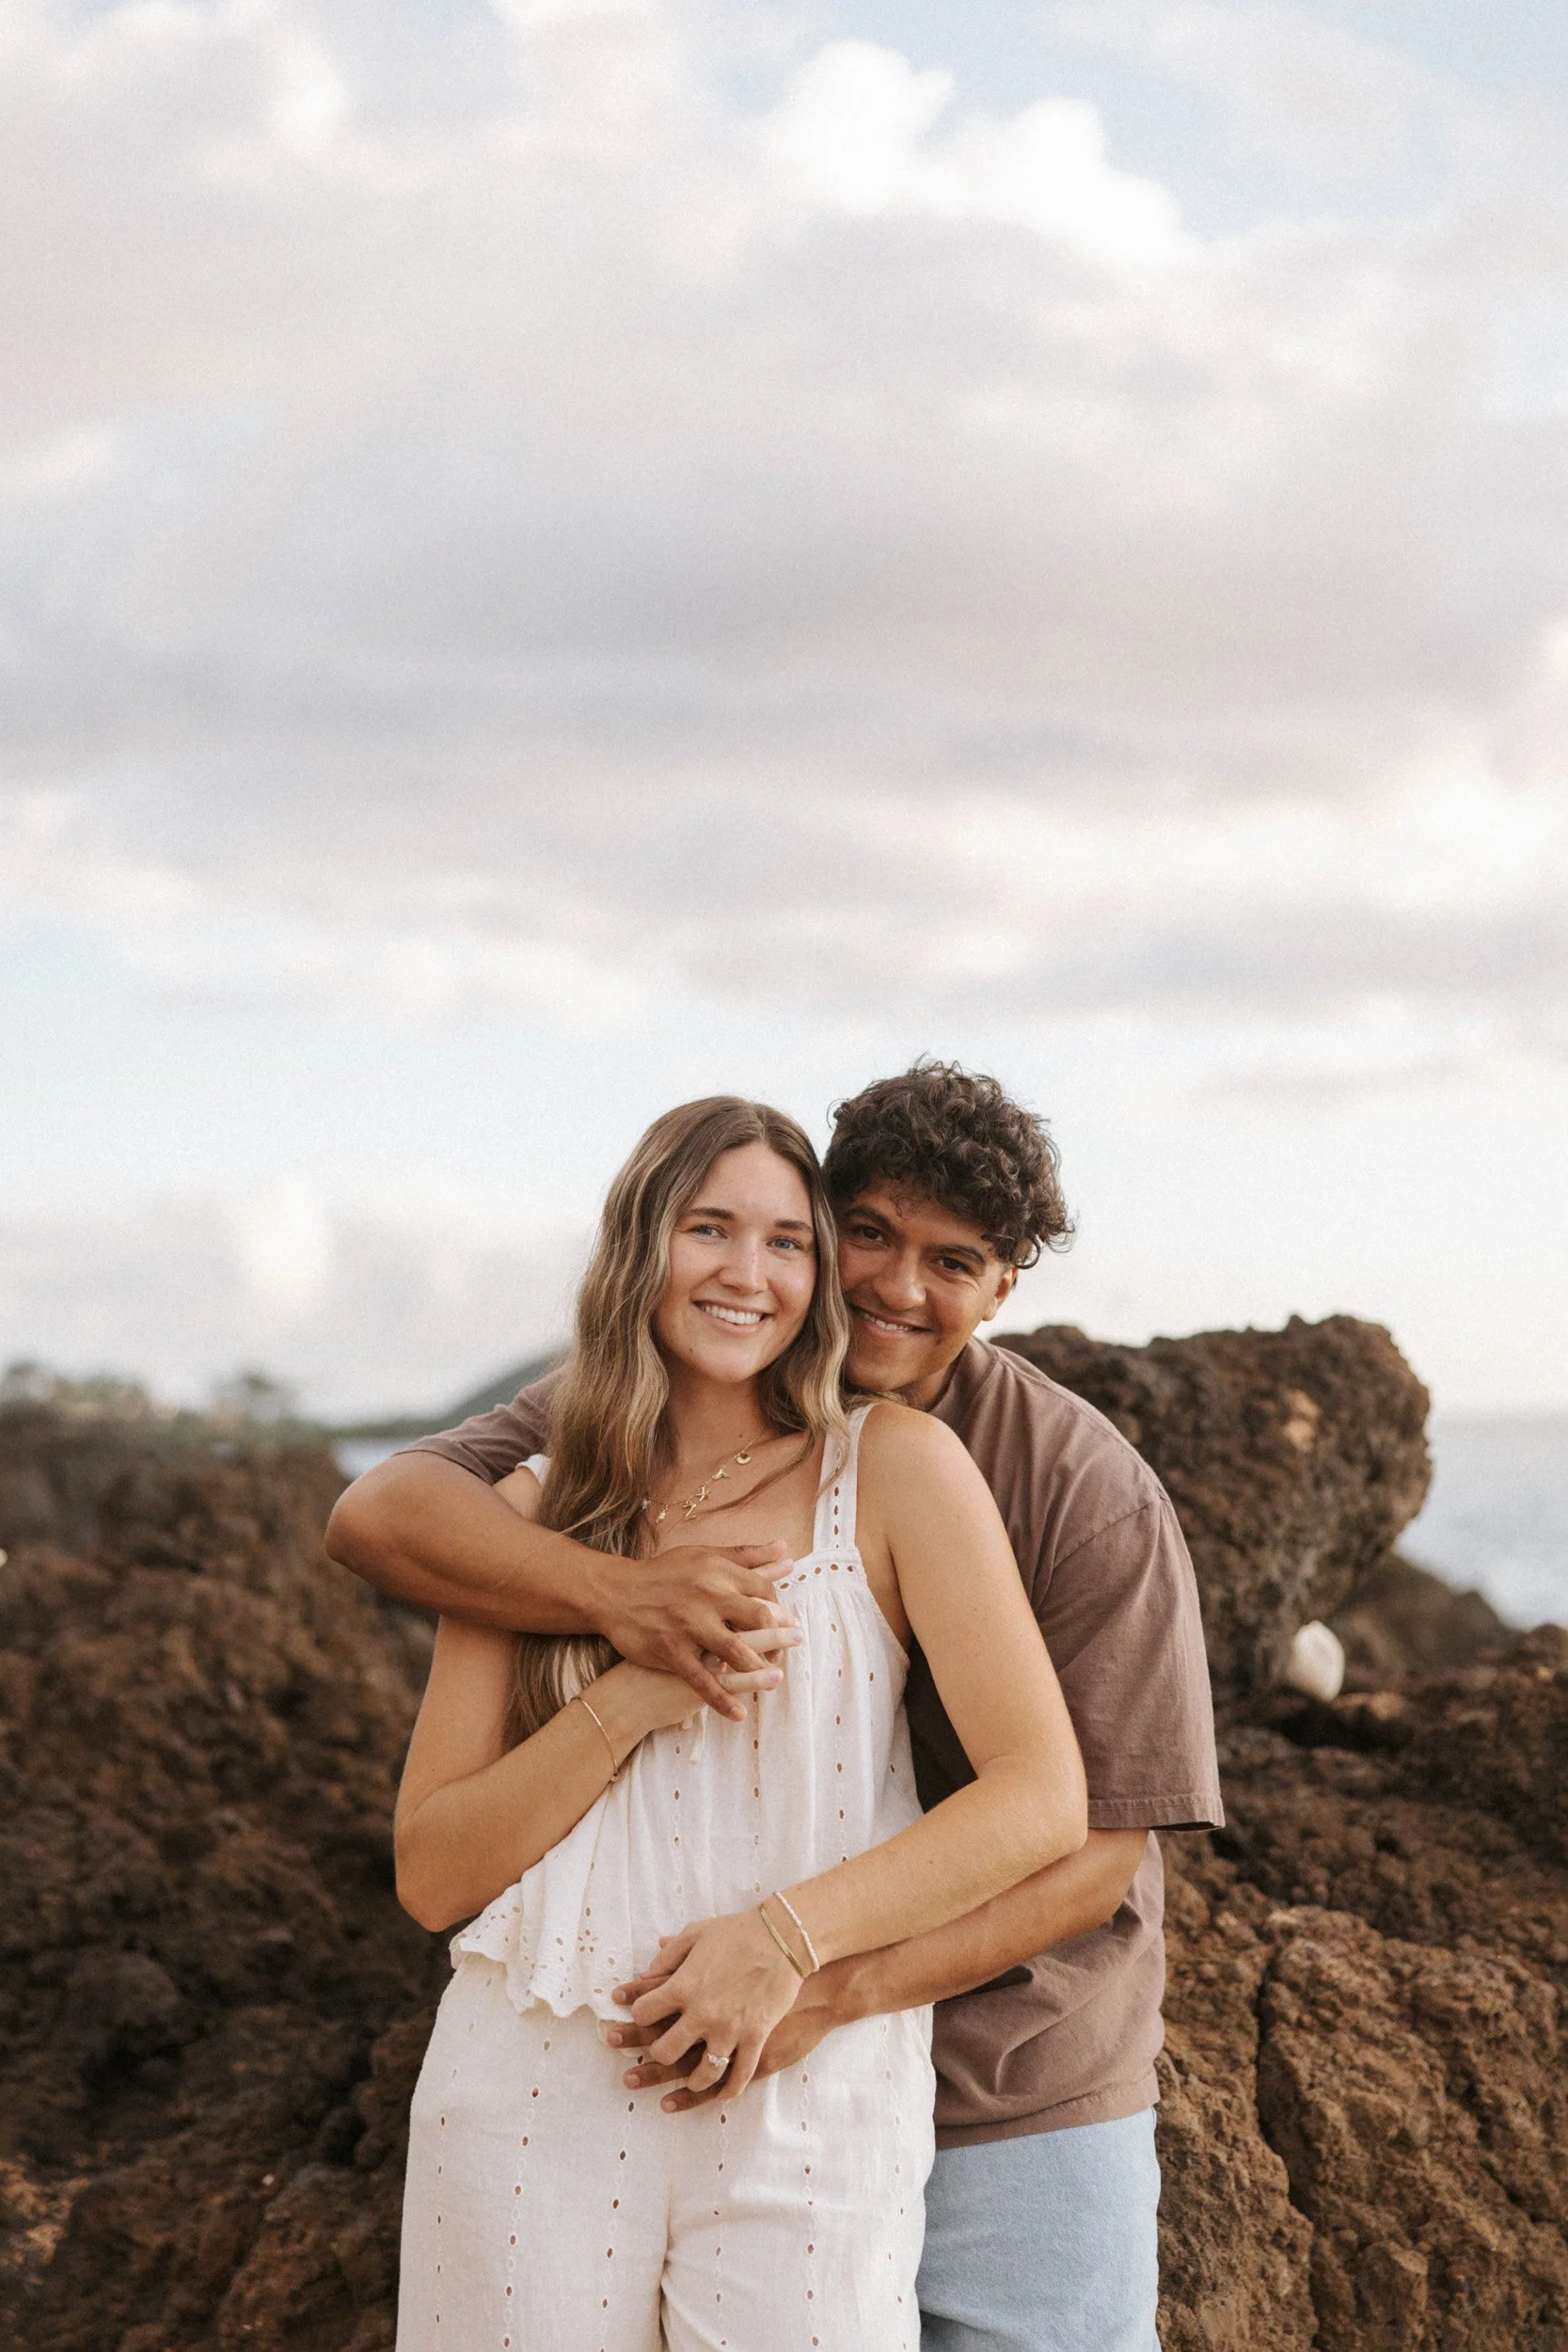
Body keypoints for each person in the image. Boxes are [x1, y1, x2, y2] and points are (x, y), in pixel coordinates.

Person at [329, 1062, 1224, 2352]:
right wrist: (622, 1614)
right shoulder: (574, 1456)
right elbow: (385, 1520)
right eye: (863, 1233)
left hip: (1009, 2052)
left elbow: (1078, 1840)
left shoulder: (1059, 1484)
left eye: (951, 1261)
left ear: (1003, 1288)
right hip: (594, 2054)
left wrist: (813, 1970)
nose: (893, 1287)